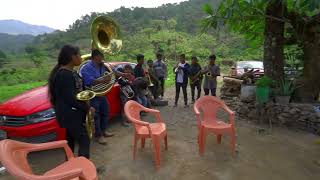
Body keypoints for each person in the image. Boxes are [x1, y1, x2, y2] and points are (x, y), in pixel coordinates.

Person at [48, 45, 93, 159]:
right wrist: (87, 108)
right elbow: (71, 99)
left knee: (71, 140)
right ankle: (83, 170)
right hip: (71, 115)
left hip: (72, 114)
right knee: (84, 139)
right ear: (72, 57)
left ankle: (71, 164)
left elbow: (78, 90)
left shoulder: (70, 72)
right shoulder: (63, 74)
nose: (80, 57)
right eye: (79, 55)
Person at [80, 49, 121, 145]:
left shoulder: (102, 66)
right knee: (96, 115)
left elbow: (113, 73)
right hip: (93, 95)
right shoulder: (86, 67)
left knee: (106, 112)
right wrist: (103, 80)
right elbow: (88, 81)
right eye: (101, 56)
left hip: (102, 94)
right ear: (95, 57)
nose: (102, 59)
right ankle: (99, 136)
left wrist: (124, 74)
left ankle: (104, 131)